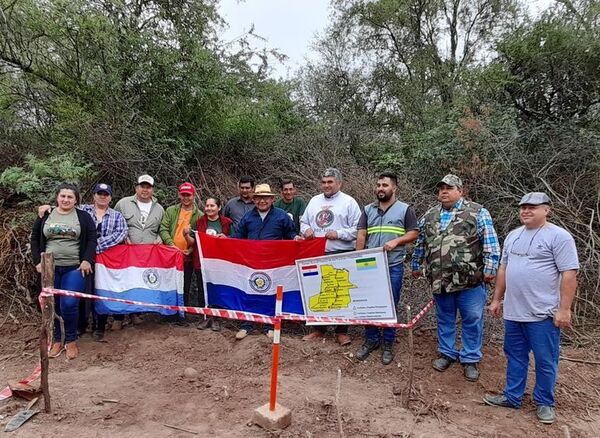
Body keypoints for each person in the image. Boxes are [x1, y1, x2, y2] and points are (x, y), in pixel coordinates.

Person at [484, 192, 579, 424]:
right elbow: (504, 269)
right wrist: (497, 299)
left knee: (546, 359)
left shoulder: (559, 237)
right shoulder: (513, 236)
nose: (526, 211)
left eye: (532, 207)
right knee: (515, 356)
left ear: (547, 210)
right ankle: (512, 396)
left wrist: (564, 309)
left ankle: (545, 402)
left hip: (543, 314)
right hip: (514, 312)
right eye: (523, 207)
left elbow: (569, 273)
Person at [411, 174, 500, 381]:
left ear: (460, 191)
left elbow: (491, 243)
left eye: (449, 188)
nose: (444, 191)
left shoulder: (477, 212)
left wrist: (491, 268)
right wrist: (416, 264)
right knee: (445, 318)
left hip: (470, 280)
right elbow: (421, 243)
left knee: (472, 318)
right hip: (440, 279)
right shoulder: (430, 215)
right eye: (441, 188)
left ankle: (470, 358)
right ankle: (447, 353)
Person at [37, 183, 128, 341]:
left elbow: (121, 233)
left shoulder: (116, 216)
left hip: (105, 262)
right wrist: (46, 207)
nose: (102, 196)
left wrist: (94, 248)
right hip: (82, 260)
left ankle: (99, 326)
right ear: (93, 195)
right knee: (80, 295)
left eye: (105, 194)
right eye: (99, 193)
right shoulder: (84, 211)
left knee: (100, 292)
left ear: (110, 198)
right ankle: (80, 326)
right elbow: (64, 207)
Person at [355, 172, 419, 365]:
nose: (380, 188)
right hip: (369, 267)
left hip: (393, 265)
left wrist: (396, 241)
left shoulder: (405, 209)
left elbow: (414, 233)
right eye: (378, 185)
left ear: (394, 188)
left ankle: (388, 343)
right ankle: (371, 340)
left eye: (385, 185)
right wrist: (358, 260)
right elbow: (361, 235)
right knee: (369, 303)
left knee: (390, 304)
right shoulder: (367, 210)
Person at [31, 183, 97, 359]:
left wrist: (86, 260)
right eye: (63, 196)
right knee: (52, 304)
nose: (66, 199)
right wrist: (37, 261)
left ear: (76, 200)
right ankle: (57, 340)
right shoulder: (45, 214)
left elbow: (91, 239)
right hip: (50, 268)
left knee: (68, 303)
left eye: (70, 197)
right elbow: (35, 238)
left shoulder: (83, 217)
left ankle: (71, 340)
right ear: (57, 198)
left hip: (74, 267)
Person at [300, 168, 362, 346]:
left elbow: (358, 229)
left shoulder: (349, 202)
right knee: (318, 292)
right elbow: (303, 221)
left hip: (340, 253)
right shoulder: (314, 201)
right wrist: (306, 230)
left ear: (339, 183)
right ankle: (319, 329)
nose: (326, 185)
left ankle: (341, 331)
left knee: (341, 292)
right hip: (317, 252)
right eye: (324, 182)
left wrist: (340, 234)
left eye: (330, 182)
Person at [232, 184, 298, 340]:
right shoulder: (248, 217)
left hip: (274, 262)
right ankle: (246, 325)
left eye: (265, 197)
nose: (262, 201)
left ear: (272, 199)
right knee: (249, 291)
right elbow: (237, 238)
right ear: (254, 199)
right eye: (259, 198)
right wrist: (221, 240)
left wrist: (297, 238)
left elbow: (291, 235)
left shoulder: (281, 216)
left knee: (271, 293)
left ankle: (270, 325)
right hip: (251, 262)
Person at [112, 174, 164, 328]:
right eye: (142, 186)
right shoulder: (123, 204)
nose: (145, 189)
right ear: (136, 187)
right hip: (125, 253)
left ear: (152, 189)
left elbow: (163, 229)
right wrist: (123, 237)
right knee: (123, 284)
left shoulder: (159, 209)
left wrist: (160, 238)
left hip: (146, 256)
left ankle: (136, 314)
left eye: (148, 187)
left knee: (140, 283)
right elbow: (114, 223)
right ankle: (118, 318)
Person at [159, 182, 203, 323]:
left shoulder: (200, 215)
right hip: (170, 255)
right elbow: (163, 228)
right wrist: (171, 245)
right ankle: (168, 313)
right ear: (179, 195)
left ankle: (182, 315)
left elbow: (199, 238)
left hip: (187, 256)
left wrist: (190, 250)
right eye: (183, 195)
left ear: (193, 196)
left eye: (188, 195)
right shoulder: (171, 210)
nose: (185, 198)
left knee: (185, 284)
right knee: (169, 284)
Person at [192, 196, 233, 331]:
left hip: (219, 262)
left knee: (217, 289)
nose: (209, 208)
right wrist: (186, 234)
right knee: (202, 289)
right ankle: (205, 317)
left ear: (219, 208)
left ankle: (216, 318)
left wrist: (226, 238)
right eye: (207, 206)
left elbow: (234, 240)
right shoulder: (199, 222)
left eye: (212, 206)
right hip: (202, 261)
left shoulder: (227, 223)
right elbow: (192, 241)